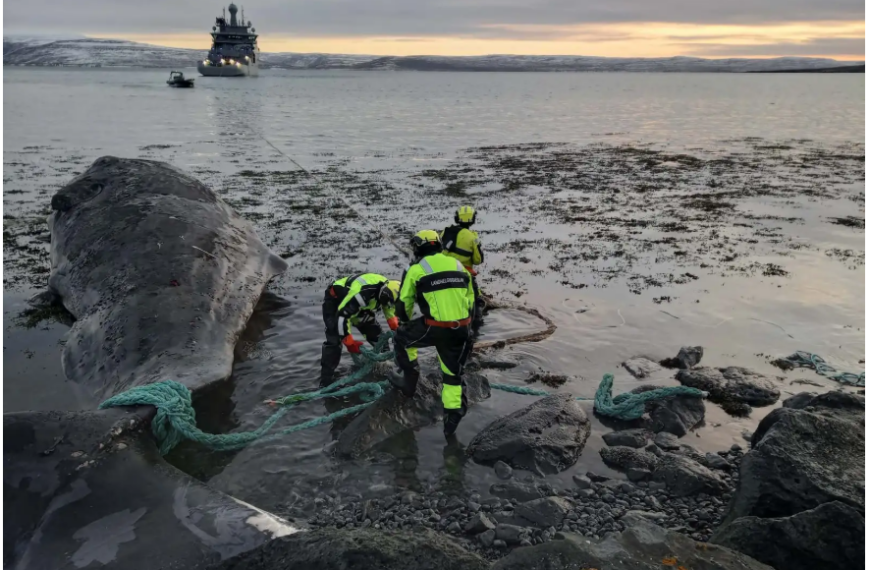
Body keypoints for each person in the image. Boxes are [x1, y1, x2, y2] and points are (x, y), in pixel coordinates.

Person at [392, 230, 475, 438]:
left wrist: (404, 320)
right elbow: (471, 301)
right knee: (451, 374)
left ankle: (409, 382)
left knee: (402, 338)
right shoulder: (458, 265)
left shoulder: (415, 269)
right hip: (462, 329)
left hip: (435, 328)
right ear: (438, 245)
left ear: (417, 248)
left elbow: (403, 308)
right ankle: (453, 417)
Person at [320, 274, 401, 386]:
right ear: (383, 293)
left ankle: (386, 372)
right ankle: (326, 382)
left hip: (362, 308)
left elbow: (390, 312)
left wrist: (398, 331)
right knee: (334, 342)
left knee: (379, 339)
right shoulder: (362, 293)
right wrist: (349, 342)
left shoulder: (390, 291)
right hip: (336, 302)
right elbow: (342, 317)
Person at [440, 205, 485, 327]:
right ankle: (476, 324)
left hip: (443, 272)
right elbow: (478, 260)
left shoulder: (446, 231)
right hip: (464, 275)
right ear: (472, 219)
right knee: (477, 300)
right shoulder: (472, 237)